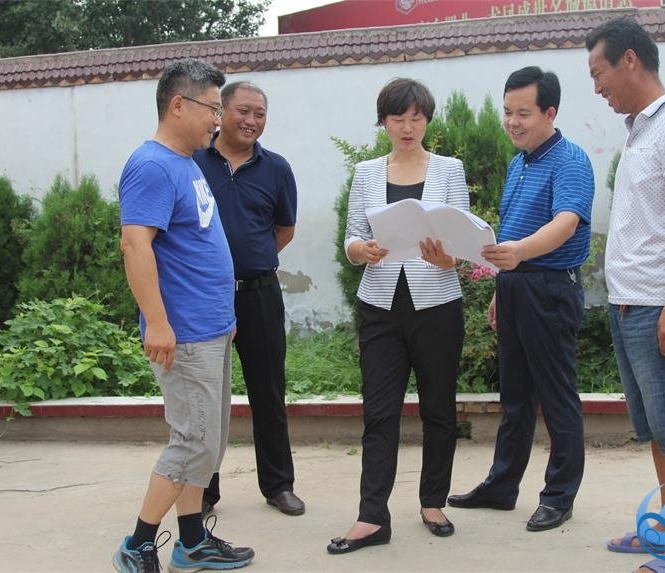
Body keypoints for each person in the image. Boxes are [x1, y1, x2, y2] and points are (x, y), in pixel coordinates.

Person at [114, 59, 254, 573]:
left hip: (210, 328)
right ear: (178, 105)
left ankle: (192, 542)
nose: (218, 120)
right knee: (192, 442)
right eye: (212, 109)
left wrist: (224, 314)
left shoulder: (185, 162)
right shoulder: (152, 165)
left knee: (208, 444)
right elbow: (135, 245)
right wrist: (157, 322)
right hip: (185, 334)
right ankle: (138, 545)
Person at [586, 18, 665, 573]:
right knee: (661, 433)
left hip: (663, 307)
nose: (597, 87)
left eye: (599, 73)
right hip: (632, 306)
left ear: (630, 60)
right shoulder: (642, 128)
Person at [448, 66, 594, 533]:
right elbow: (509, 229)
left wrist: (519, 255)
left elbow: (565, 223)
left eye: (523, 113)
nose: (512, 122)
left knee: (556, 396)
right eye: (507, 112)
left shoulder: (571, 160)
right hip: (515, 286)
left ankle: (558, 496)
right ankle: (501, 486)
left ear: (550, 112)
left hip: (549, 287)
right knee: (515, 396)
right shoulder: (520, 162)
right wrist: (501, 285)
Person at [326, 78, 469, 554]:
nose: (407, 127)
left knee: (438, 410)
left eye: (416, 118)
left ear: (427, 120)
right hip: (381, 307)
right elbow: (351, 236)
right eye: (397, 118)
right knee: (379, 412)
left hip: (437, 304)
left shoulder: (449, 170)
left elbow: (461, 240)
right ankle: (372, 517)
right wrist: (360, 250)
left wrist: (449, 259)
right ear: (383, 122)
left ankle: (433, 502)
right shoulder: (367, 172)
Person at [192, 81, 303, 517]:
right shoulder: (193, 162)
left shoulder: (276, 168)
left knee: (269, 392)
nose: (251, 120)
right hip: (206, 298)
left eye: (260, 113)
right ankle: (203, 490)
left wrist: (251, 260)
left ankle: (278, 485)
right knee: (207, 399)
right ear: (221, 112)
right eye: (243, 111)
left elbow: (284, 229)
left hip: (260, 295)